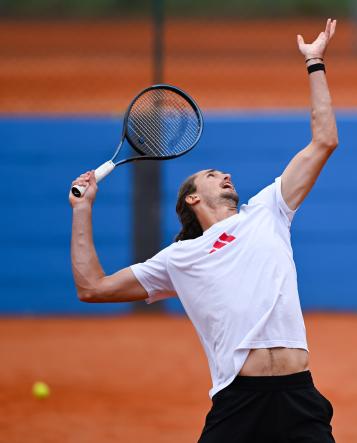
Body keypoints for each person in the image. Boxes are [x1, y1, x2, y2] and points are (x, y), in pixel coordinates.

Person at [69, 19, 339, 443]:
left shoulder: (269, 210)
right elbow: (92, 287)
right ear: (192, 198)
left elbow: (324, 140)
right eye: (212, 175)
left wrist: (315, 63)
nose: (225, 175)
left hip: (297, 396)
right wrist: (82, 209)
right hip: (239, 402)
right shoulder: (179, 259)